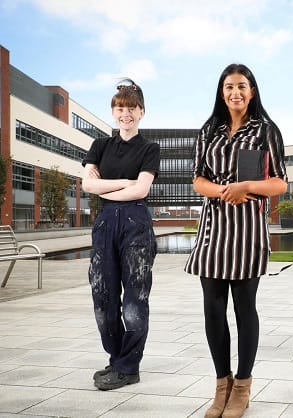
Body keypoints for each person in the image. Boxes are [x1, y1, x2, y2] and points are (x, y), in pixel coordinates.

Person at [184, 63, 287, 418]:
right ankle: (221, 385)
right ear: (221, 91)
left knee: (244, 308)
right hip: (213, 227)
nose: (235, 92)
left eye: (242, 86)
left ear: (252, 91)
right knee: (212, 307)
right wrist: (221, 190)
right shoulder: (208, 130)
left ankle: (242, 386)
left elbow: (280, 183)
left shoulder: (266, 131)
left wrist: (247, 187)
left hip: (247, 228)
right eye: (229, 86)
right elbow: (197, 179)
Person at [81, 79, 160, 390]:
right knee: (103, 297)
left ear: (141, 112)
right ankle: (117, 359)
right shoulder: (100, 146)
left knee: (134, 301)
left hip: (135, 225)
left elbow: (141, 190)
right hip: (104, 226)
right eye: (119, 108)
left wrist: (111, 186)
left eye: (131, 108)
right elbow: (87, 185)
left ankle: (129, 366)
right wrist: (125, 184)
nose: (125, 113)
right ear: (113, 112)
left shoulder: (149, 149)